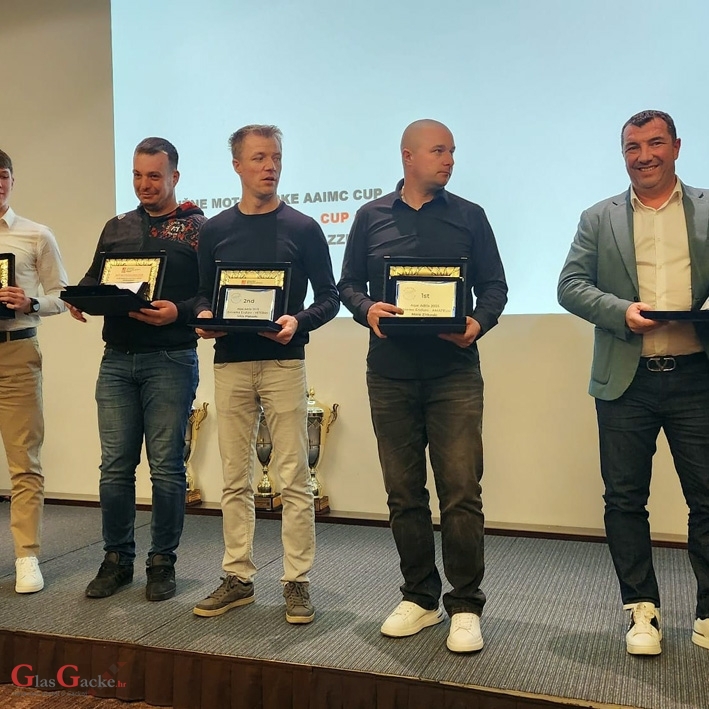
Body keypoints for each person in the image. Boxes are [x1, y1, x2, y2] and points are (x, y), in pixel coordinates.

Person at [338, 119, 507, 653]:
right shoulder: (370, 216)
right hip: (389, 374)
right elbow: (347, 284)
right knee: (403, 493)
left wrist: (478, 322)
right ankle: (419, 597)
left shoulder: (470, 216)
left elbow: (495, 286)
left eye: (452, 151)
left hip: (454, 374)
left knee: (461, 492)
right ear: (408, 156)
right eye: (438, 151)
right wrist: (367, 308)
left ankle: (466, 604)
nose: (449, 159)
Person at [558, 110, 709, 655]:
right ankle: (641, 610)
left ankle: (708, 611)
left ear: (676, 147)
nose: (644, 156)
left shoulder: (707, 208)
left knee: (707, 498)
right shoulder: (599, 217)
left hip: (697, 377)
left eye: (655, 143)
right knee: (624, 499)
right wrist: (621, 312)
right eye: (632, 147)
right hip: (627, 380)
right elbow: (570, 285)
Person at [193, 124, 339, 624]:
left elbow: (330, 297)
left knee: (294, 476)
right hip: (231, 362)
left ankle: (297, 582)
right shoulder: (214, 230)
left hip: (283, 361)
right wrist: (204, 314)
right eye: (258, 158)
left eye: (275, 157)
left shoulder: (303, 228)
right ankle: (238, 577)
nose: (269, 166)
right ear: (237, 165)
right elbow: (201, 293)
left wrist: (299, 321)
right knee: (235, 477)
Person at [68, 138, 205, 601]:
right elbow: (95, 276)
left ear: (174, 177)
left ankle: (162, 562)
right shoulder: (117, 226)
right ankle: (117, 560)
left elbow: (211, 294)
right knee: (114, 467)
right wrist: (80, 296)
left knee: (166, 468)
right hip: (117, 359)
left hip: (171, 358)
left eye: (154, 176)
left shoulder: (198, 229)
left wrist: (179, 312)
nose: (145, 185)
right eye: (137, 175)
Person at [0, 148, 68, 594]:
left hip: (16, 354)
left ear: (11, 180)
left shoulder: (35, 234)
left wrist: (31, 303)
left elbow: (63, 294)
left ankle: (27, 556)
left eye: (3, 175)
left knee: (25, 459)